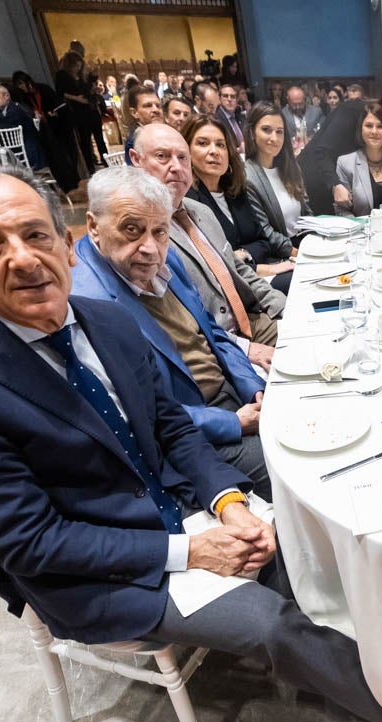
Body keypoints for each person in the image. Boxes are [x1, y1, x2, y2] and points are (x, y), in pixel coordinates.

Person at [0, 161, 382, 722]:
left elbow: (172, 428)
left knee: (312, 558)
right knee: (274, 623)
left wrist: (227, 502)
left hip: (182, 506)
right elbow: (33, 543)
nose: (23, 257)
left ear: (68, 244)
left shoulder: (108, 321)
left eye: (35, 234)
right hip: (102, 571)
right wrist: (192, 552)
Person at [71, 166, 272, 499]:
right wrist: (234, 423)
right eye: (131, 230)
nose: (150, 247)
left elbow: (212, 332)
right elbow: (144, 415)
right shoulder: (88, 304)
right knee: (294, 466)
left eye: (159, 231)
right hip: (191, 437)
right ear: (93, 226)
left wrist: (253, 390)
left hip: (231, 397)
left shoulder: (165, 257)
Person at [129, 123, 283, 362]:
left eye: (182, 158)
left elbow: (238, 269)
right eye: (162, 156)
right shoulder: (139, 233)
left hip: (251, 321)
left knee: (321, 335)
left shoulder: (201, 211)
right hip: (215, 346)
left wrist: (281, 305)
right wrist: (243, 347)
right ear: (135, 160)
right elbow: (176, 323)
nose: (176, 167)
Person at [182, 115, 292, 293]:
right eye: (203, 143)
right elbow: (209, 261)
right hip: (226, 290)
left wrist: (244, 254)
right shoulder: (188, 200)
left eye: (220, 145)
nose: (214, 151)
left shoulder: (235, 191)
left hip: (258, 275)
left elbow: (262, 242)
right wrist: (260, 268)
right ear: (186, 151)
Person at [297, 87, 382, 214]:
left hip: (341, 178)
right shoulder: (352, 111)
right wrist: (335, 184)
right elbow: (321, 151)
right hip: (315, 175)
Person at [243, 102, 311, 289]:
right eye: (266, 130)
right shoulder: (247, 176)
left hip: (303, 244)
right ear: (252, 133)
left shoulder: (290, 166)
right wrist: (300, 253)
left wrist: (315, 241)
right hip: (279, 256)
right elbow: (265, 231)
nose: (274, 137)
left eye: (279, 131)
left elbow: (306, 210)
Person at [11, 70, 81, 193]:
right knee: (57, 156)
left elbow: (59, 105)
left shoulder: (43, 89)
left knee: (69, 152)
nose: (21, 88)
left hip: (60, 125)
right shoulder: (24, 97)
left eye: (22, 84)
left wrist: (53, 113)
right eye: (19, 86)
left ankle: (75, 179)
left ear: (27, 82)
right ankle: (66, 183)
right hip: (46, 129)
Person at [0, 83, 46, 170]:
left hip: (27, 156)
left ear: (7, 96)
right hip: (21, 153)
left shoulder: (16, 111)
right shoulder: (6, 111)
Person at [56, 51, 107, 173]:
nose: (78, 67)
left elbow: (87, 89)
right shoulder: (62, 75)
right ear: (70, 64)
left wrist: (94, 89)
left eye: (80, 65)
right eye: (76, 65)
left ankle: (107, 161)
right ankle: (90, 167)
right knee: (85, 140)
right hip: (78, 111)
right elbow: (61, 92)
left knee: (99, 137)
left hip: (91, 108)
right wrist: (77, 99)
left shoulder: (83, 75)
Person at [123, 85, 163, 164]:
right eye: (148, 106)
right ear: (134, 113)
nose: (156, 110)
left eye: (158, 106)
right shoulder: (134, 141)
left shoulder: (167, 133)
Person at [283, 85, 323, 154]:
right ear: (288, 100)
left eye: (300, 104)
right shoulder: (282, 115)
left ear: (305, 99)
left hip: (313, 153)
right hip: (291, 155)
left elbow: (324, 132)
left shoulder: (316, 112)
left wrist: (313, 138)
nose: (298, 107)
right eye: (294, 104)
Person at [215, 84, 245, 151]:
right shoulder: (216, 119)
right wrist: (238, 150)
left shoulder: (240, 116)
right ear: (219, 99)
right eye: (225, 96)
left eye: (233, 97)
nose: (229, 99)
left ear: (237, 100)